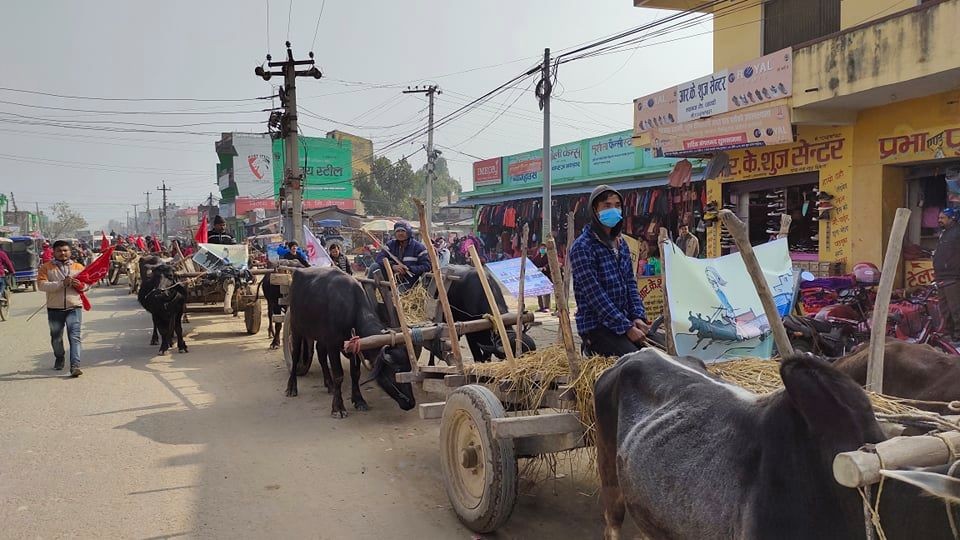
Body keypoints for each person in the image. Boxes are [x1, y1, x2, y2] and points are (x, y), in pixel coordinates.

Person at [569, 185, 648, 357]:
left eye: (617, 205)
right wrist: (626, 328)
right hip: (598, 328)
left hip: (625, 321)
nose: (613, 210)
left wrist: (637, 316)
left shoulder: (621, 244)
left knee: (666, 352)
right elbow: (595, 296)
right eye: (607, 206)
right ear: (594, 211)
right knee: (639, 362)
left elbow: (630, 284)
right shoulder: (582, 247)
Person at [37, 240, 87, 377]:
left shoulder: (79, 266)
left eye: (65, 250)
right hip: (54, 308)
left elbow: (88, 284)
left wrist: (81, 286)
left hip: (74, 306)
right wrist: (61, 284)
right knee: (56, 338)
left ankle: (75, 365)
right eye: (59, 251)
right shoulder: (46, 267)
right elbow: (41, 285)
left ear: (70, 252)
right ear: (54, 252)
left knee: (74, 337)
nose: (62, 253)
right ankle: (59, 357)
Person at [368, 221, 430, 292]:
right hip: (392, 279)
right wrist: (392, 266)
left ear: (408, 232)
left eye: (403, 231)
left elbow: (427, 266)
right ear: (395, 233)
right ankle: (368, 295)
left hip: (409, 281)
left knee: (397, 295)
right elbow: (379, 258)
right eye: (398, 231)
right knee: (374, 266)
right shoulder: (390, 244)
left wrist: (409, 269)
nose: (400, 233)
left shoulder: (418, 247)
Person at [934, 207, 960, 343]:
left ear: (952, 218)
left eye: (942, 218)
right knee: (945, 309)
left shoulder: (957, 233)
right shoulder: (944, 233)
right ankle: (951, 335)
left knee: (955, 308)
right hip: (941, 277)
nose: (939, 220)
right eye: (939, 218)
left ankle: (958, 336)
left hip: (953, 277)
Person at [529, 243, 553, 313]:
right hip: (538, 277)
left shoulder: (548, 256)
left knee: (546, 292)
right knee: (538, 292)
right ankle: (541, 307)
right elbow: (532, 263)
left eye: (544, 248)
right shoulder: (537, 257)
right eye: (541, 248)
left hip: (546, 276)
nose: (542, 250)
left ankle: (547, 307)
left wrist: (544, 268)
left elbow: (549, 264)